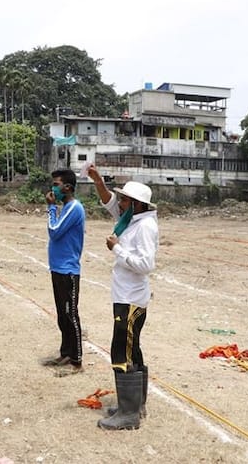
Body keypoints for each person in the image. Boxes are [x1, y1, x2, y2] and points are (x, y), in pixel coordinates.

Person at [88, 165, 158, 430]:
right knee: (132, 348)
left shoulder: (144, 227)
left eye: (126, 200)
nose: (122, 203)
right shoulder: (132, 219)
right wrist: (97, 181)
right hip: (126, 296)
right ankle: (134, 405)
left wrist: (117, 249)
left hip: (131, 298)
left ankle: (129, 414)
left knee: (122, 351)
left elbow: (145, 264)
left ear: (137, 204)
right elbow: (109, 202)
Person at [42, 169, 85, 377]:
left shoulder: (74, 208)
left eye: (57, 184)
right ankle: (66, 352)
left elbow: (54, 231)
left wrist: (51, 208)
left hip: (68, 270)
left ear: (68, 187)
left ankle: (77, 361)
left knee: (71, 314)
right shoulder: (66, 207)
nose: (53, 188)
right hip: (58, 268)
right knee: (62, 315)